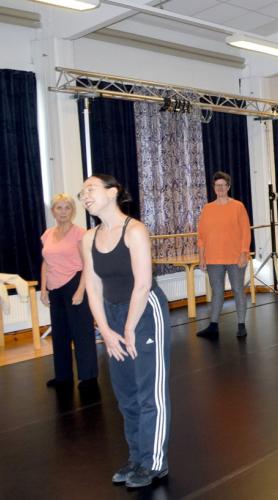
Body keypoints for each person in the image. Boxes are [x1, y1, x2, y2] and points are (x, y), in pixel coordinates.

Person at [79, 174, 171, 488]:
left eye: (90, 188)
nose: (85, 195)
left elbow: (143, 283)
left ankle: (154, 463)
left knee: (149, 394)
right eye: (83, 192)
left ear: (113, 191)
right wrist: (105, 329)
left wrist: (130, 326)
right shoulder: (88, 238)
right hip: (114, 315)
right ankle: (137, 457)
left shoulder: (135, 231)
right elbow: (92, 287)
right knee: (126, 396)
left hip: (145, 311)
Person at [40, 193, 98, 389]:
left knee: (82, 332)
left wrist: (81, 290)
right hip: (54, 287)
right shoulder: (47, 234)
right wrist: (43, 288)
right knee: (60, 333)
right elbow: (46, 262)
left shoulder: (80, 233)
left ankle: (88, 377)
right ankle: (63, 376)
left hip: (75, 283)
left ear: (73, 211)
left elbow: (87, 264)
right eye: (59, 208)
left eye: (67, 208)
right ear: (53, 211)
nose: (63, 212)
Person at [197, 171, 252, 338]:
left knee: (237, 289)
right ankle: (213, 325)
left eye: (223, 185)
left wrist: (244, 253)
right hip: (214, 259)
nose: (220, 188)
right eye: (217, 185)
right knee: (217, 292)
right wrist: (202, 257)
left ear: (228, 187)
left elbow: (245, 232)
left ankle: (241, 324)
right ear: (214, 188)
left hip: (235, 257)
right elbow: (201, 236)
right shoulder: (207, 209)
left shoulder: (238, 206)